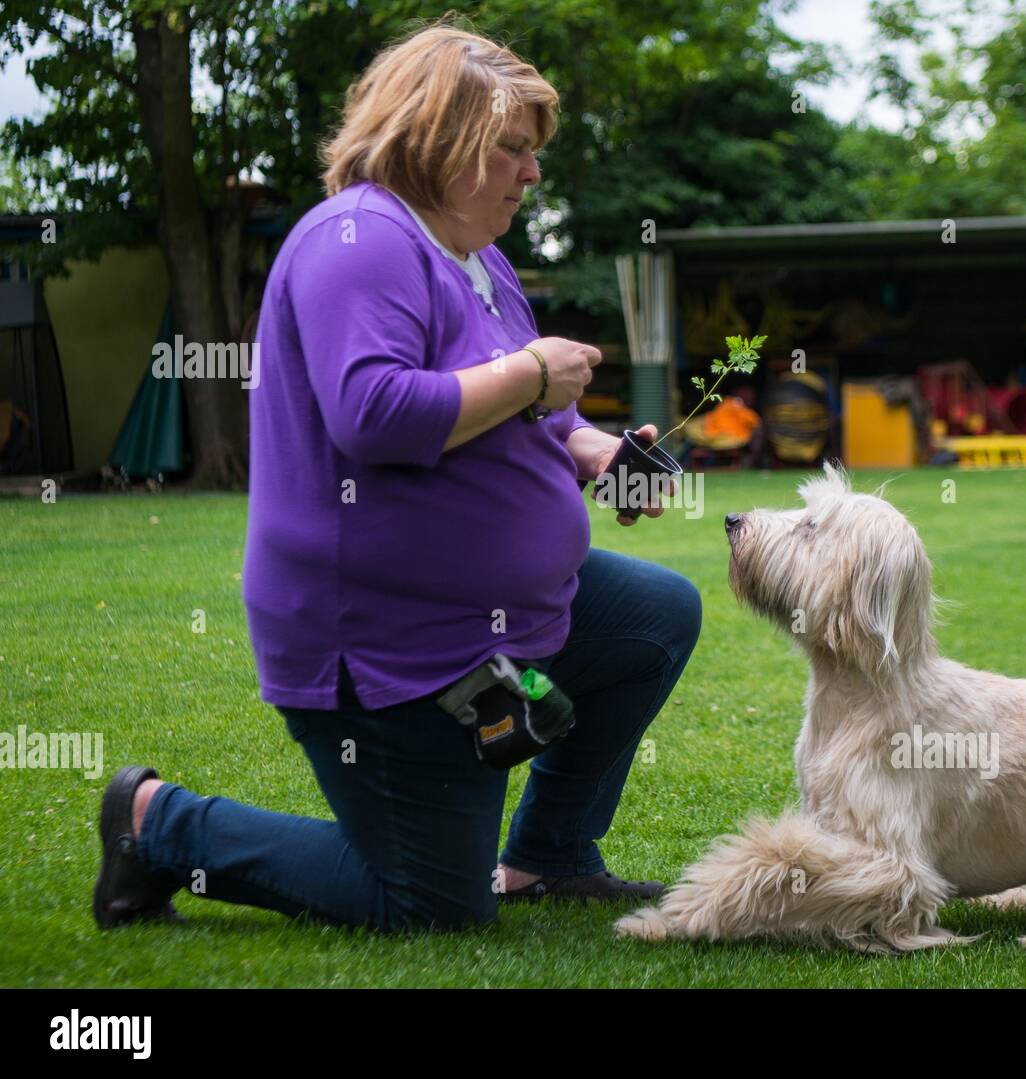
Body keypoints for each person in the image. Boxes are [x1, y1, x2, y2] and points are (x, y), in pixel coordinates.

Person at [93, 22, 701, 934]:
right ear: (438, 135)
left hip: (495, 621)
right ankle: (158, 824)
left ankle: (549, 857)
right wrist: (534, 371)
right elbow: (372, 414)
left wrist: (596, 451)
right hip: (390, 644)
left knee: (655, 614)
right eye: (514, 149)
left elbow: (535, 412)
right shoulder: (361, 240)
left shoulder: (480, 256)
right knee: (427, 905)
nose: (532, 175)